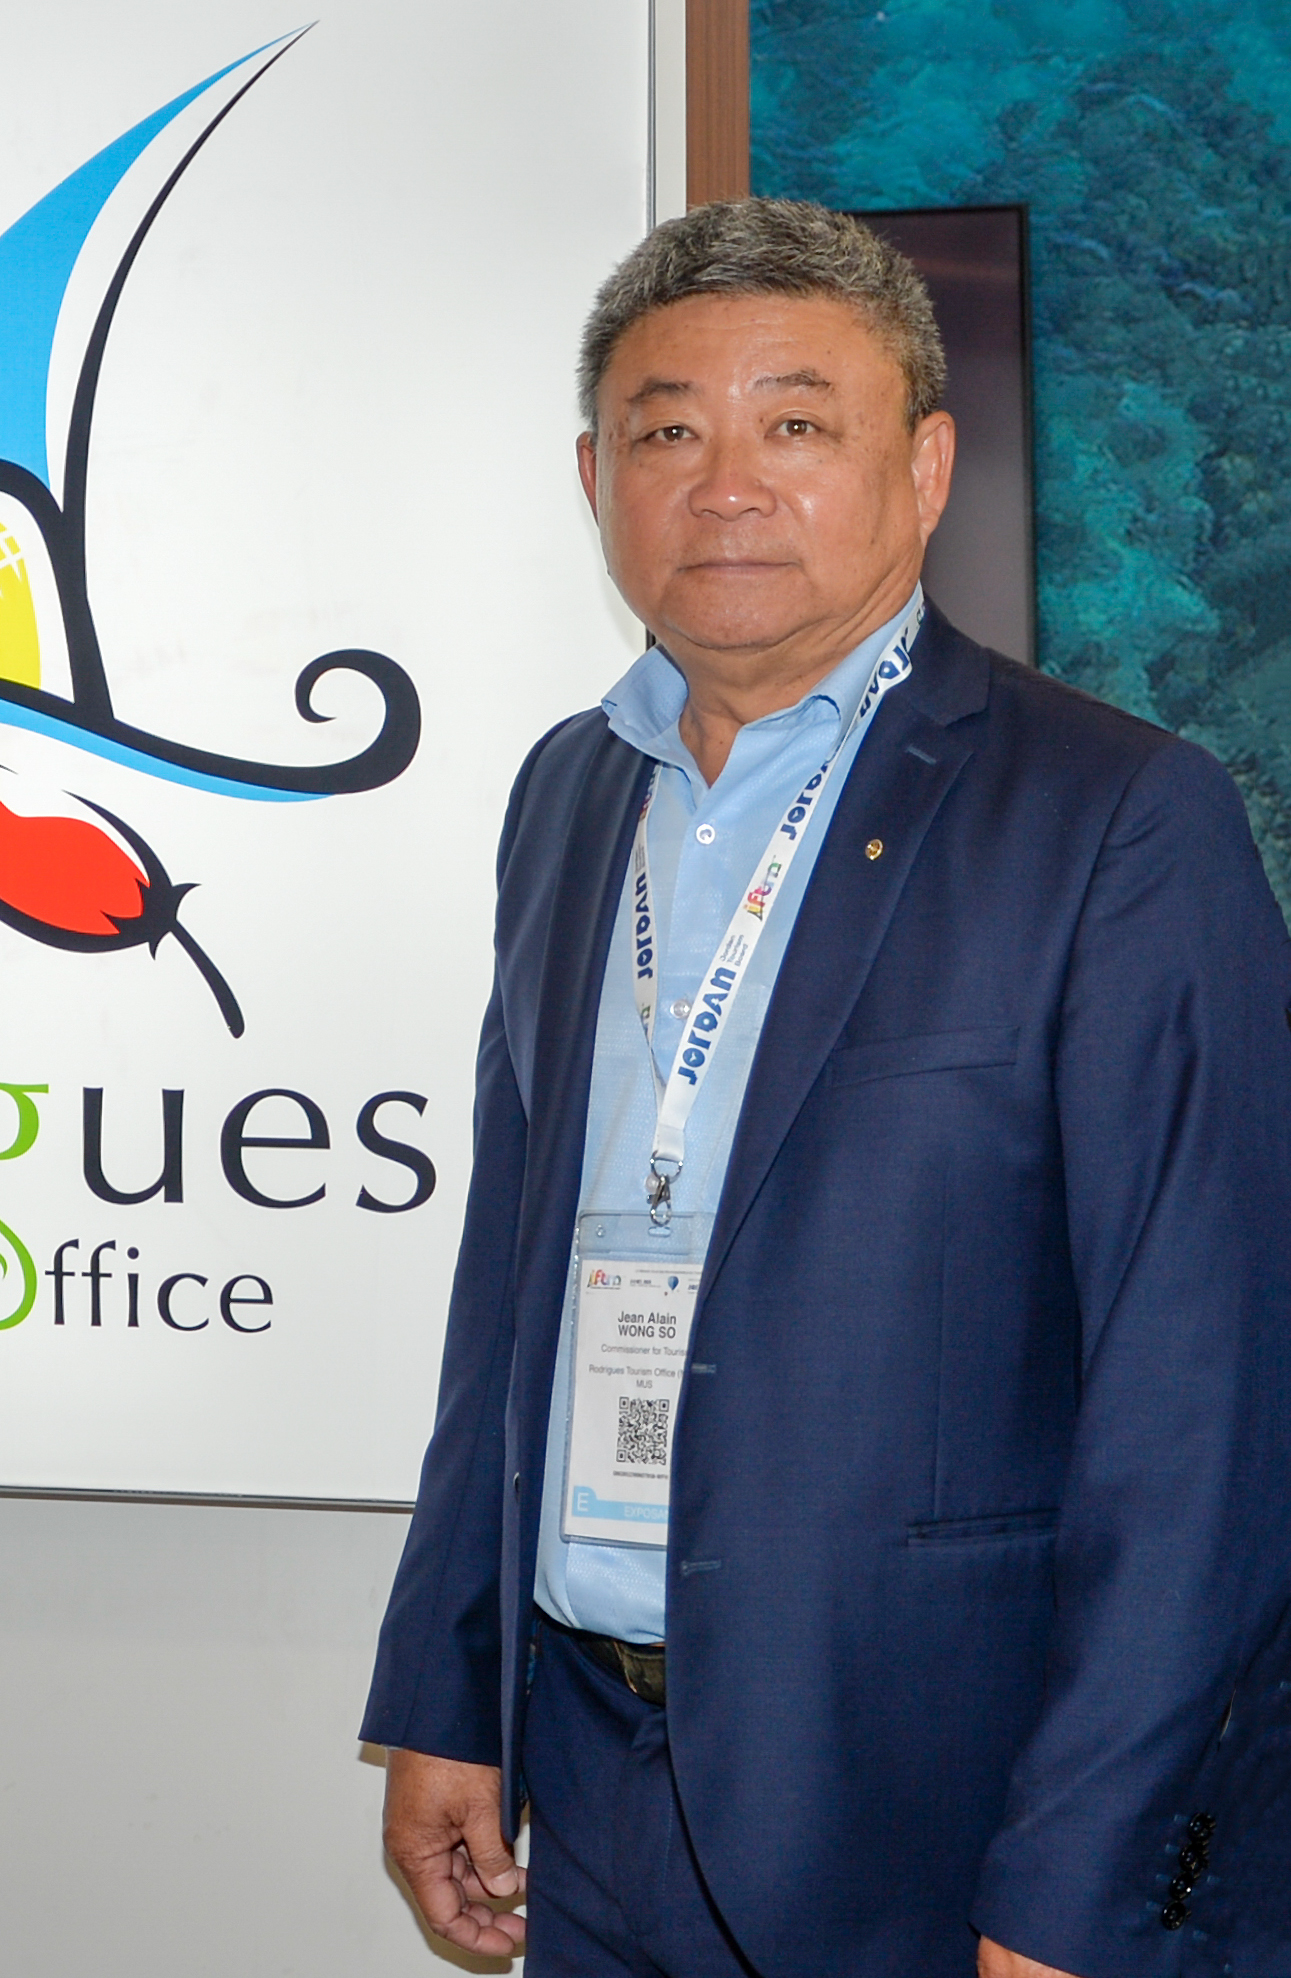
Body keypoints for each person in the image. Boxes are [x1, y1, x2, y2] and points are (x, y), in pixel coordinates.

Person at [361, 198, 1291, 1978]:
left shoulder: (1114, 820)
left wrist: (1078, 1876)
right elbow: (507, 1297)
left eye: (795, 424)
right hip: (591, 1775)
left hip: (936, 1815)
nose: (725, 485)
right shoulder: (567, 795)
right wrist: (446, 1690)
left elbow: (1210, 1408)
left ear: (925, 470)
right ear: (593, 479)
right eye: (666, 432)